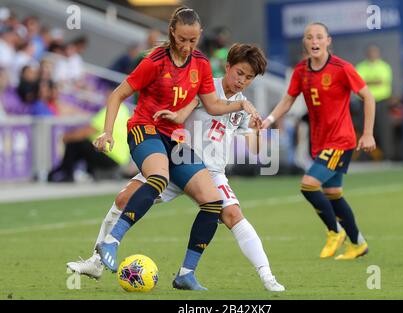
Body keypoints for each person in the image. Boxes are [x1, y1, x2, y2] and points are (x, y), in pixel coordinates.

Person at [68, 43, 284, 292]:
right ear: (228, 66)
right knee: (123, 199)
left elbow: (255, 149)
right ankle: (96, 261)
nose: (242, 81)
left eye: (249, 78)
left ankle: (266, 276)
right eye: (239, 73)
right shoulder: (205, 87)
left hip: (211, 173)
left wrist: (258, 132)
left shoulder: (245, 107)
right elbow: (182, 111)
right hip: (176, 161)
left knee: (233, 215)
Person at [93, 7, 261, 290]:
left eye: (193, 40)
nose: (187, 46)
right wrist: (107, 132)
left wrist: (242, 104)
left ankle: (185, 274)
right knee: (158, 178)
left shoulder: (201, 63)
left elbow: (213, 105)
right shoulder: (154, 62)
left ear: (200, 36)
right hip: (144, 128)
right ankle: (111, 241)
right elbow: (117, 94)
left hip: (172, 139)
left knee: (212, 202)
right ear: (172, 32)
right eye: (182, 39)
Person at [261, 22, 376, 260]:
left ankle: (335, 231)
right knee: (333, 193)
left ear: (328, 41)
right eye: (309, 37)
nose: (314, 41)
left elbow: (368, 97)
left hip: (341, 140)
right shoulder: (301, 71)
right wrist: (269, 119)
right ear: (305, 42)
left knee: (308, 184)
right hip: (320, 142)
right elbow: (288, 99)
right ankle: (358, 244)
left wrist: (368, 133)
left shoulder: (342, 68)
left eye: (319, 37)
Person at [47, 103, 130, 182]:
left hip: (110, 157)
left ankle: (66, 173)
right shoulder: (124, 110)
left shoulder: (110, 110)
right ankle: (67, 170)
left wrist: (66, 137)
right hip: (121, 159)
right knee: (85, 144)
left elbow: (87, 131)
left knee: (78, 142)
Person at [356, 44, 393, 160]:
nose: (373, 54)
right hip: (364, 102)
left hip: (381, 101)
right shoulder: (361, 67)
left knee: (384, 129)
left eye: (375, 52)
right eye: (371, 52)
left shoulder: (384, 66)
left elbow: (382, 82)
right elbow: (358, 83)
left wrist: (368, 82)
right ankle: (366, 156)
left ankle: (387, 155)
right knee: (365, 129)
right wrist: (374, 81)